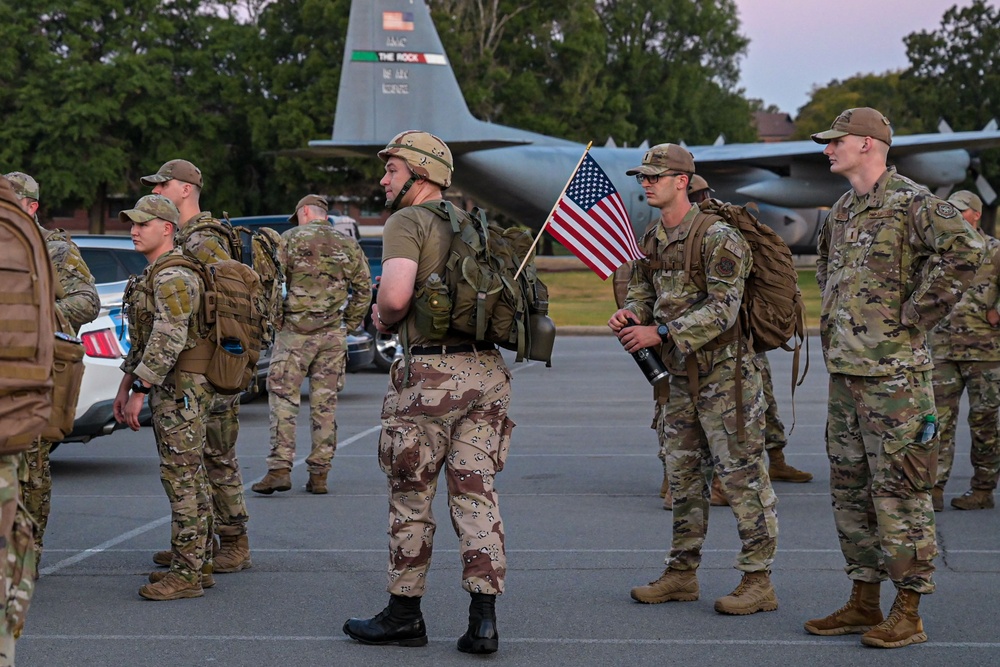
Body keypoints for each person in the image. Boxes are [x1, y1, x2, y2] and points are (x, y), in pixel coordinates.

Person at [806, 108, 983, 648]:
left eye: (836, 142)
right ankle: (864, 601)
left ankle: (908, 611)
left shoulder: (912, 202)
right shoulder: (840, 210)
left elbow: (967, 252)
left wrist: (915, 315)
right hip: (846, 374)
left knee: (901, 491)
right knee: (850, 490)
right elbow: (825, 268)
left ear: (866, 144)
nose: (827, 150)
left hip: (895, 381)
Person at [342, 131, 513, 654]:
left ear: (420, 174)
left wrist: (381, 313)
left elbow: (394, 297)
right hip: (487, 374)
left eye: (391, 169)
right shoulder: (475, 223)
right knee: (476, 495)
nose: (383, 179)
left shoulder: (407, 221)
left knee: (412, 497)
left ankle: (404, 615)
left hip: (430, 381)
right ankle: (483, 621)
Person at [609, 143, 779, 616]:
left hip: (727, 379)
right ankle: (682, 574)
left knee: (743, 478)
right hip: (678, 379)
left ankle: (757, 580)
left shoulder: (719, 237)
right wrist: (633, 313)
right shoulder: (653, 236)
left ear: (682, 180)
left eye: (655, 176)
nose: (646, 183)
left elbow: (724, 308)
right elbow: (644, 287)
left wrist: (659, 331)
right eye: (642, 176)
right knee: (683, 479)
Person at [141, 159, 252, 574]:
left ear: (185, 189)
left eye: (162, 185)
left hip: (211, 367)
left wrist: (222, 364)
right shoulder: (189, 236)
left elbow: (231, 303)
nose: (155, 191)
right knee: (200, 457)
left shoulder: (203, 240)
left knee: (215, 455)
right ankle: (199, 543)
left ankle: (234, 541)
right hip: (203, 366)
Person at [686, 176, 812, 511]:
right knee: (745, 405)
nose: (703, 199)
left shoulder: (715, 232)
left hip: (730, 336)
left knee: (737, 408)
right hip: (736, 336)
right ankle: (687, 480)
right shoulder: (711, 227)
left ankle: (735, 476)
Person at [113, 194, 215, 600]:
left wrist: (140, 388)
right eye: (132, 223)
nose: (134, 230)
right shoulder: (157, 273)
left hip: (181, 389)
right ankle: (198, 562)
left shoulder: (174, 276)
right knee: (191, 475)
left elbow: (167, 338)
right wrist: (127, 381)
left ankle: (187, 575)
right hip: (173, 386)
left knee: (182, 478)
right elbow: (144, 338)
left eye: (142, 224)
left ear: (167, 229)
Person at [4, 171, 99, 563]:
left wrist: (39, 315)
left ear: (32, 207)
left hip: (36, 374)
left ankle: (29, 552)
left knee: (32, 470)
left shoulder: (54, 249)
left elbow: (87, 301)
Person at [252, 195, 371, 495]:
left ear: (304, 211)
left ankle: (279, 468)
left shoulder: (289, 239)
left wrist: (275, 321)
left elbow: (270, 284)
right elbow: (364, 289)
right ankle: (319, 475)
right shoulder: (348, 244)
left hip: (294, 333)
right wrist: (350, 323)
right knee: (325, 406)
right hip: (332, 335)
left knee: (283, 399)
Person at [927, 190, 1000, 512]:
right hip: (942, 348)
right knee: (937, 423)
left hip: (985, 350)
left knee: (985, 423)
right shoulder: (938, 250)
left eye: (960, 211)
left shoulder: (995, 250)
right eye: (950, 211)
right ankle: (934, 488)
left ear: (975, 215)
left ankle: (982, 489)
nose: (954, 216)